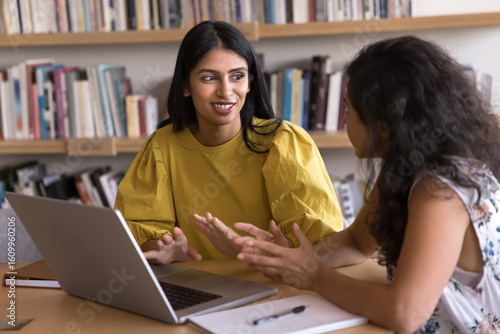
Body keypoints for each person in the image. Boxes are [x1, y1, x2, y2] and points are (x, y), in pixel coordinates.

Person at [236, 36, 500, 333]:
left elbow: (405, 313)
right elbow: (357, 243)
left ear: (384, 128)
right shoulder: (405, 166)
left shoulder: (440, 191)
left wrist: (312, 275)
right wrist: (296, 260)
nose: (345, 121)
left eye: (348, 111)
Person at [114, 20, 343, 264]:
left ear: (249, 83)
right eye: (210, 78)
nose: (226, 91)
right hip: (196, 288)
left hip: (273, 285)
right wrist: (165, 251)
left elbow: (320, 244)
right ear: (185, 86)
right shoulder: (161, 146)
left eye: (237, 76)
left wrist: (251, 250)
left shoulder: (283, 142)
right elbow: (138, 232)